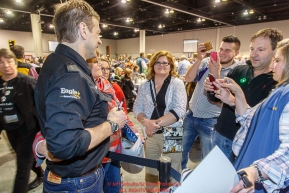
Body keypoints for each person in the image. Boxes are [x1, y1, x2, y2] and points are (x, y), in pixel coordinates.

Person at [34, 1, 126, 192]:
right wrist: (112, 124)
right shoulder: (70, 74)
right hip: (78, 183)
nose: (100, 40)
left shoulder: (56, 62)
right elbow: (66, 144)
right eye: (97, 33)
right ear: (83, 30)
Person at [212, 39, 289, 193]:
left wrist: (256, 172)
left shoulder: (284, 95)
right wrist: (237, 94)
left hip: (263, 178)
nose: (273, 66)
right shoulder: (280, 92)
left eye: (278, 61)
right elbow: (250, 119)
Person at [203, 28, 283, 163]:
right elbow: (215, 99)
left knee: (239, 182)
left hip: (249, 143)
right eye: (252, 49)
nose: (254, 54)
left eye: (260, 50)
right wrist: (212, 88)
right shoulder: (239, 70)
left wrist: (235, 100)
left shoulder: (277, 82)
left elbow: (265, 120)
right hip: (221, 134)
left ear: (275, 52)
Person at [182, 35, 241, 169]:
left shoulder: (236, 71)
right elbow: (188, 78)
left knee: (208, 160)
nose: (222, 53)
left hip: (211, 120)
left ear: (236, 53)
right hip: (191, 115)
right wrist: (199, 59)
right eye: (221, 49)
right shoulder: (207, 62)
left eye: (228, 50)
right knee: (180, 153)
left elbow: (222, 97)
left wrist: (216, 73)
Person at [133, 50, 187, 192]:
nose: (161, 65)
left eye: (165, 63)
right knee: (151, 170)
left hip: (172, 132)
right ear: (152, 65)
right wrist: (146, 122)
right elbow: (137, 108)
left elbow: (179, 110)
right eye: (158, 62)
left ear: (171, 66)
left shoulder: (177, 84)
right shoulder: (146, 85)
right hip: (150, 134)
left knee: (173, 170)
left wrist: (154, 124)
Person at [0, 48, 41, 193]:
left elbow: (41, 105)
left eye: (9, 61)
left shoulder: (28, 82)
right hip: (10, 129)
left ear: (15, 62)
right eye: (1, 62)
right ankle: (40, 173)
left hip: (28, 129)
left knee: (22, 166)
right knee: (26, 159)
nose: (6, 65)